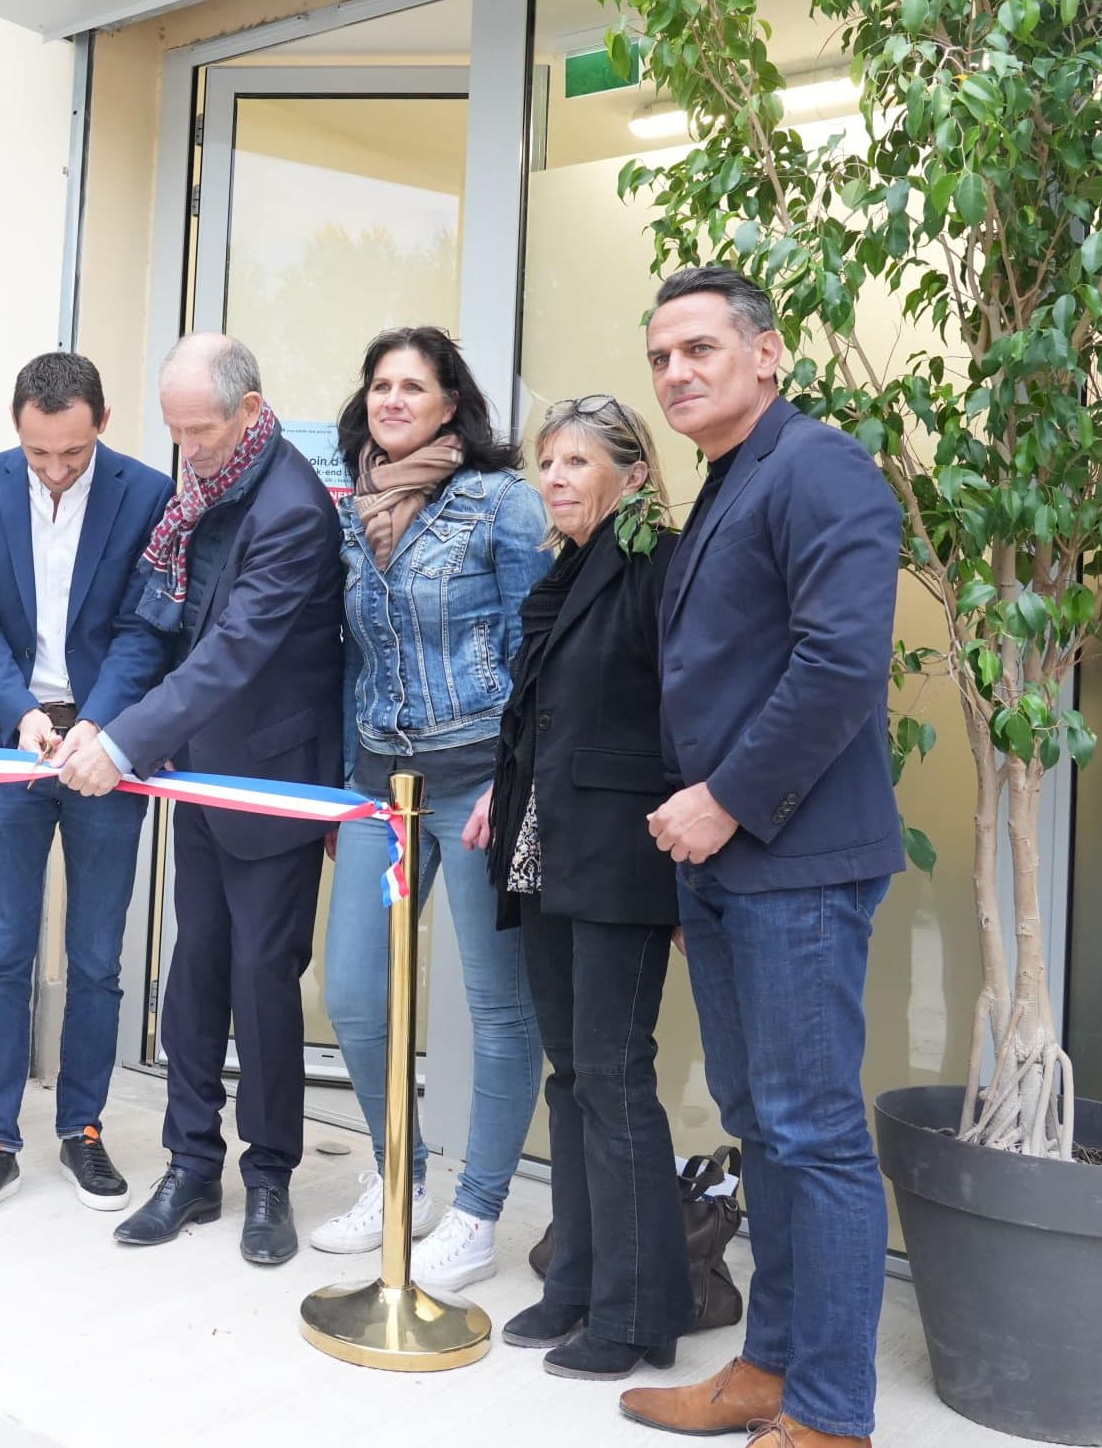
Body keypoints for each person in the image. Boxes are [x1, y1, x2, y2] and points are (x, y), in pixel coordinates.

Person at [623, 265, 904, 1448]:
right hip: (730, 871)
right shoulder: (728, 482)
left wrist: (724, 807)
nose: (677, 372)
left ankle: (832, 1413)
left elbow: (839, 663)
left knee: (814, 1134)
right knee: (762, 1124)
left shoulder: (819, 467)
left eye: (699, 350)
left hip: (794, 857)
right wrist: (698, 867)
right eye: (661, 358)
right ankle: (769, 1370)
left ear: (767, 356)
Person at [58, 332, 345, 1268]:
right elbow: (154, 628)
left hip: (266, 779)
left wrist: (127, 742)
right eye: (176, 432)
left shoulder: (294, 506)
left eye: (204, 431)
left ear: (252, 411)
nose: (189, 449)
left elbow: (230, 655)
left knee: (264, 987)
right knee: (193, 979)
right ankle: (190, 1165)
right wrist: (97, 724)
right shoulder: (197, 495)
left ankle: (268, 1179)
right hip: (199, 779)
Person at [312, 327, 550, 1289]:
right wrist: (342, 778)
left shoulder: (502, 504)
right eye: (381, 385)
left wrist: (519, 776)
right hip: (380, 785)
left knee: (499, 1005)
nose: (394, 400)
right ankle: (395, 1171)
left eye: (415, 385)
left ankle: (479, 1211)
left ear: (453, 403)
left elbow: (544, 652)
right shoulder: (352, 508)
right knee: (356, 994)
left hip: (480, 784)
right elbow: (350, 657)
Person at [0, 353, 173, 1227]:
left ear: (102, 420)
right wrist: (20, 713)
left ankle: (83, 1125)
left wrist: (99, 727)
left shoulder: (149, 494)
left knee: (99, 956)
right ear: (16, 427)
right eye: (40, 453)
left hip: (109, 746)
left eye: (72, 452)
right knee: (1, 949)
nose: (57, 470)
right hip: (10, 741)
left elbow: (148, 627)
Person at [487, 395, 693, 1378]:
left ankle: (636, 1313)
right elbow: (542, 718)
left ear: (634, 473)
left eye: (575, 462)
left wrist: (697, 870)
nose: (554, 479)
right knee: (570, 1076)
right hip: (545, 851)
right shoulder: (565, 572)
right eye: (547, 464)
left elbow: (685, 722)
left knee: (613, 1079)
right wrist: (504, 796)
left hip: (619, 860)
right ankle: (573, 1281)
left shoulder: (661, 564)